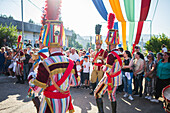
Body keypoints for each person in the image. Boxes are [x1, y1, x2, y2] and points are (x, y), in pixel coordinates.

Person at [28, 18, 79, 112]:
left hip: (50, 104)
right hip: (65, 102)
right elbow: (75, 83)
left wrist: (31, 77)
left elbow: (36, 90)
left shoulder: (45, 64)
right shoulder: (71, 62)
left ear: (48, 44)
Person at [94, 14, 123, 113]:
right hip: (117, 78)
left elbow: (107, 69)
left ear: (111, 44)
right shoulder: (120, 53)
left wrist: (103, 66)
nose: (107, 46)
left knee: (97, 93)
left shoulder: (111, 55)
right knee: (112, 96)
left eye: (108, 44)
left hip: (109, 78)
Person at [90, 24, 108, 95]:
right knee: (93, 79)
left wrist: (102, 61)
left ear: (100, 45)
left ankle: (100, 91)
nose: (97, 46)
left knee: (101, 80)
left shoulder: (104, 52)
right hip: (95, 67)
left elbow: (106, 60)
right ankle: (93, 90)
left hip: (100, 67)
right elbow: (92, 58)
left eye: (98, 45)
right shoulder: (94, 52)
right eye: (96, 44)